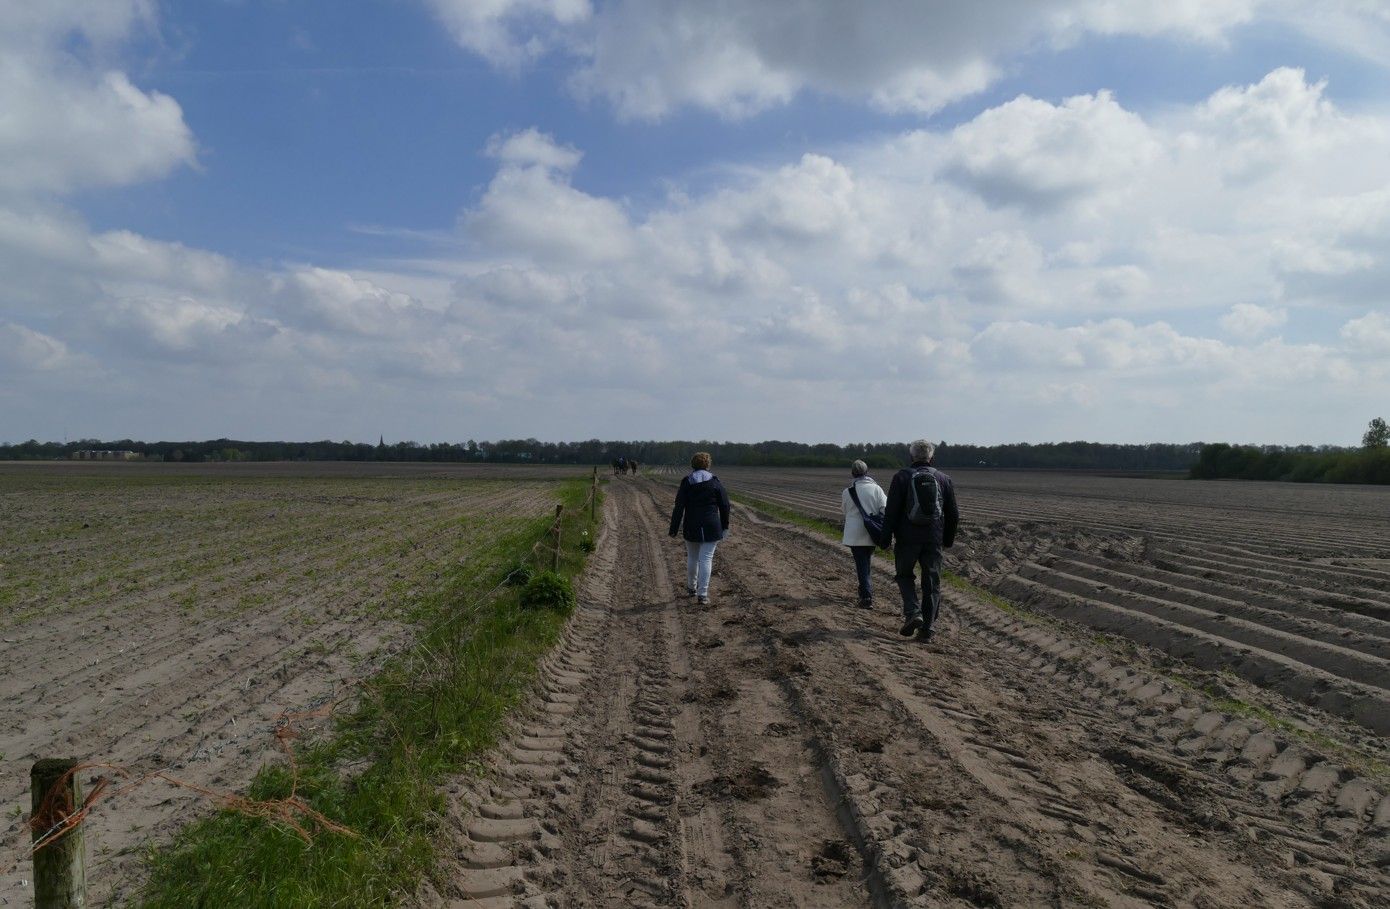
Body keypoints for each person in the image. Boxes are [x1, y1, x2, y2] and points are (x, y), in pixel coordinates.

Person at [881, 439, 959, 641]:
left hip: (907, 538)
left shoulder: (901, 477)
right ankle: (928, 629)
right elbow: (953, 514)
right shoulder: (943, 479)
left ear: (911, 457)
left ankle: (913, 613)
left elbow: (891, 511)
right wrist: (947, 540)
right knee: (932, 583)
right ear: (931, 457)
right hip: (933, 539)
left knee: (905, 576)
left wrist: (885, 537)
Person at [668, 451, 730, 605]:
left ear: (693, 464)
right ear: (708, 464)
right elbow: (725, 506)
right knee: (706, 559)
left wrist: (674, 528)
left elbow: (679, 506)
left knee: (693, 557)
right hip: (712, 526)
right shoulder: (715, 482)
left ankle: (691, 588)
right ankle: (703, 594)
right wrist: (725, 526)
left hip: (691, 525)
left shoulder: (687, 482)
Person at [841, 460, 887, 609]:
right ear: (867, 472)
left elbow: (845, 511)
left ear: (853, 473)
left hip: (855, 534)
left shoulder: (848, 491)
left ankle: (866, 596)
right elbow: (885, 510)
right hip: (872, 531)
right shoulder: (877, 489)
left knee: (862, 564)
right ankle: (864, 590)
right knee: (865, 562)